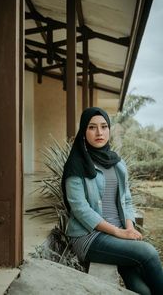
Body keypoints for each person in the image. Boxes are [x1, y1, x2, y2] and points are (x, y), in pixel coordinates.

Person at [61, 107, 163, 295]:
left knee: (139, 283)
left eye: (104, 126)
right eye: (92, 127)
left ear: (109, 130)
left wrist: (129, 227)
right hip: (89, 237)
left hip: (119, 232)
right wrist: (118, 232)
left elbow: (127, 199)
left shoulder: (117, 162)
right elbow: (80, 209)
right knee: (148, 253)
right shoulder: (76, 164)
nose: (99, 132)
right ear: (84, 131)